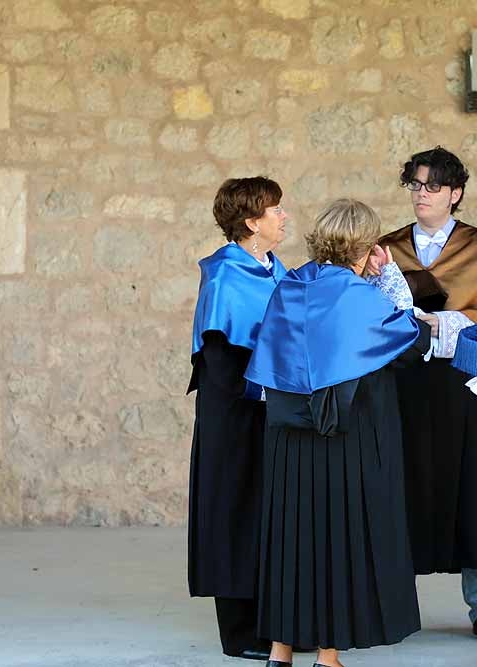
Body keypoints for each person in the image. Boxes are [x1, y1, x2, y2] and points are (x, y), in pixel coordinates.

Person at [244, 199, 430, 667]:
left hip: (288, 438)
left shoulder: (292, 284)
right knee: (335, 536)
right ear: (366, 246)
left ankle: (279, 651)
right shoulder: (357, 296)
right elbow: (410, 337)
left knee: (291, 536)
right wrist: (389, 279)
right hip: (342, 438)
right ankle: (328, 657)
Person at [377, 146, 477, 642]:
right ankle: (389, 602)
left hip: (464, 386)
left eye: (432, 186)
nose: (421, 194)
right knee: (397, 485)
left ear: (455, 193)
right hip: (402, 385)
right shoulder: (386, 249)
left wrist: (445, 321)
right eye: (415, 185)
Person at [187, 177, 288, 661]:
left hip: (268, 408)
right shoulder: (227, 275)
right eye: (275, 211)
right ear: (252, 223)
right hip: (236, 415)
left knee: (267, 512)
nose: (283, 217)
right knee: (235, 509)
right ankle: (240, 633)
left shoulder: (272, 266)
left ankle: (273, 622)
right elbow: (222, 360)